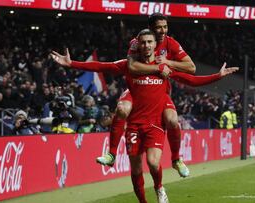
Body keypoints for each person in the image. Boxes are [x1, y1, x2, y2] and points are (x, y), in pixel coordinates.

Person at [52, 28, 238, 203]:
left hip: (155, 124)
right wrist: (71, 64)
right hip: (134, 125)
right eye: (143, 42)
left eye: (150, 42)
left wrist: (217, 76)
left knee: (153, 163)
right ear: (138, 45)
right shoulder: (129, 65)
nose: (147, 45)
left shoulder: (164, 67)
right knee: (136, 169)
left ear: (155, 45)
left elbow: (192, 80)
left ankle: (159, 187)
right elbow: (101, 66)